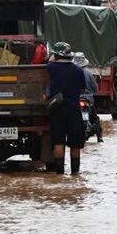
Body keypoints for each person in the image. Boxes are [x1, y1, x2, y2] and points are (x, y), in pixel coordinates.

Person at [46, 42, 87, 175]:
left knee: (58, 142)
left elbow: (50, 61)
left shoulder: (51, 68)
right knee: (75, 144)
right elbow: (82, 88)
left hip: (57, 110)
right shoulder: (78, 70)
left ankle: (60, 173)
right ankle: (75, 173)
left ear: (56, 55)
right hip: (74, 110)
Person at [73, 52, 103, 143]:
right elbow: (95, 88)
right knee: (95, 118)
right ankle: (99, 137)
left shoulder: (71, 73)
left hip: (75, 99)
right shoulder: (89, 74)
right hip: (88, 99)